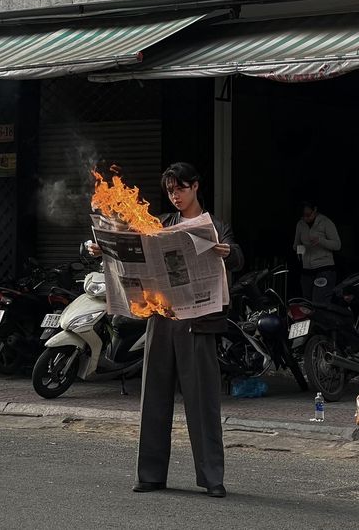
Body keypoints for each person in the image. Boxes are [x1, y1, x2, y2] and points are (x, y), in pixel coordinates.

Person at [88, 162, 244, 498]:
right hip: (162, 318)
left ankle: (211, 478)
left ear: (196, 186)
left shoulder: (214, 226)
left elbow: (238, 256)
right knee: (153, 397)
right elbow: (135, 254)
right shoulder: (160, 223)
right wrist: (104, 250)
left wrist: (227, 252)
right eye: (171, 191)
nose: (175, 196)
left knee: (202, 402)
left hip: (198, 324)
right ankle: (150, 474)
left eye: (181, 189)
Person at [293, 200, 341, 303]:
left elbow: (337, 245)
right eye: (303, 216)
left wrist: (320, 241)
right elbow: (296, 244)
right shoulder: (300, 224)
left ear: (315, 210)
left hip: (324, 268)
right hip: (307, 270)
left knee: (319, 301)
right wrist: (301, 251)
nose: (306, 218)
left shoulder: (325, 222)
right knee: (307, 303)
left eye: (308, 215)